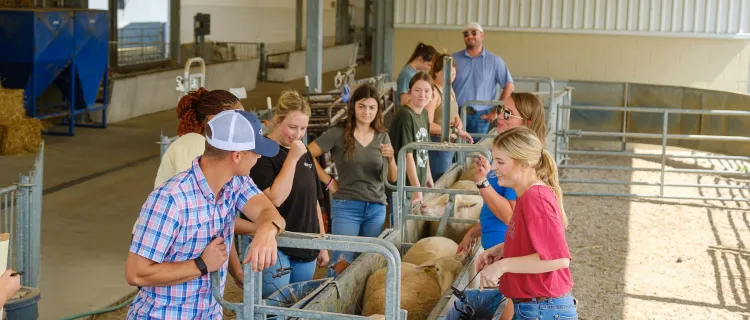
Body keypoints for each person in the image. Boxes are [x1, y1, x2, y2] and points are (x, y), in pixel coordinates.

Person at [126, 110, 287, 319]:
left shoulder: (236, 182)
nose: (258, 158)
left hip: (208, 313)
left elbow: (269, 212)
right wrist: (200, 265)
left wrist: (266, 231)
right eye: (255, 152)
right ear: (237, 156)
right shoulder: (170, 200)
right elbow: (136, 272)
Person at [456, 92, 549, 320]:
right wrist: (473, 232)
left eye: (508, 113)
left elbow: (511, 216)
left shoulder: (519, 165)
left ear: (525, 122)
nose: (500, 116)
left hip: (508, 253)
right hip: (501, 250)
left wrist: (483, 183)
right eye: (500, 109)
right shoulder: (511, 157)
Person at [147, 88, 251, 288]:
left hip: (183, 246)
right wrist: (258, 229)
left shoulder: (214, 150)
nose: (243, 124)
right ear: (213, 120)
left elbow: (218, 221)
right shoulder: (197, 145)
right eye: (237, 118)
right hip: (165, 247)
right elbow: (211, 216)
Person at [477, 126, 576, 320]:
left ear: (524, 163)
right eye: (493, 160)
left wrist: (502, 266)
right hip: (536, 307)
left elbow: (558, 259)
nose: (493, 167)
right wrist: (502, 249)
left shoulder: (535, 198)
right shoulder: (527, 195)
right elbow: (536, 244)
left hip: (542, 309)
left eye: (500, 161)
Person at [246, 90, 330, 298]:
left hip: (306, 244)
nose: (298, 134)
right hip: (277, 245)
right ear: (277, 121)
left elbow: (315, 202)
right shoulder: (263, 154)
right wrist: (291, 159)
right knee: (275, 307)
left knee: (298, 307)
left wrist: (321, 243)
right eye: (292, 127)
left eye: (303, 128)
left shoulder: (303, 151)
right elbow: (274, 198)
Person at [308, 84, 398, 277]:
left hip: (376, 208)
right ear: (353, 107)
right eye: (362, 106)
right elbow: (306, 154)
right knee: (341, 263)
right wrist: (329, 182)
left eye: (372, 107)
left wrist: (391, 159)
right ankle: (331, 307)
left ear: (378, 110)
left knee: (368, 262)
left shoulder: (382, 136)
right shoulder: (338, 133)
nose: (367, 112)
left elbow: (393, 178)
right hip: (347, 206)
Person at [452, 22, 515, 135]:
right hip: (457, 114)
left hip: (482, 116)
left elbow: (509, 85)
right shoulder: (453, 59)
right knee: (456, 149)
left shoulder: (494, 61)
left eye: (473, 33)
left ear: (482, 35)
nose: (469, 36)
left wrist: (496, 111)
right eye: (466, 34)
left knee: (478, 150)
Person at [425, 52, 474, 181]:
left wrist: (459, 122)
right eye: (447, 74)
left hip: (449, 142)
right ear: (436, 73)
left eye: (453, 74)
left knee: (445, 178)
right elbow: (427, 124)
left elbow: (455, 112)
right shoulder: (434, 92)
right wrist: (453, 130)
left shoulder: (449, 89)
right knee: (438, 180)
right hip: (437, 143)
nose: (451, 78)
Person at [389, 71, 434, 204]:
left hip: (415, 183)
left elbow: (424, 150)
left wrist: (427, 176)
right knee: (401, 223)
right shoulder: (405, 116)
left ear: (432, 94)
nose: (422, 95)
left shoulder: (424, 114)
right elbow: (407, 155)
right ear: (409, 92)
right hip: (404, 185)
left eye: (427, 91)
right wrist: (416, 190)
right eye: (417, 90)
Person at [395, 42, 437, 109]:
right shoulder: (408, 74)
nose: (429, 68)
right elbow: (404, 101)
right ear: (420, 59)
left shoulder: (415, 73)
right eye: (428, 65)